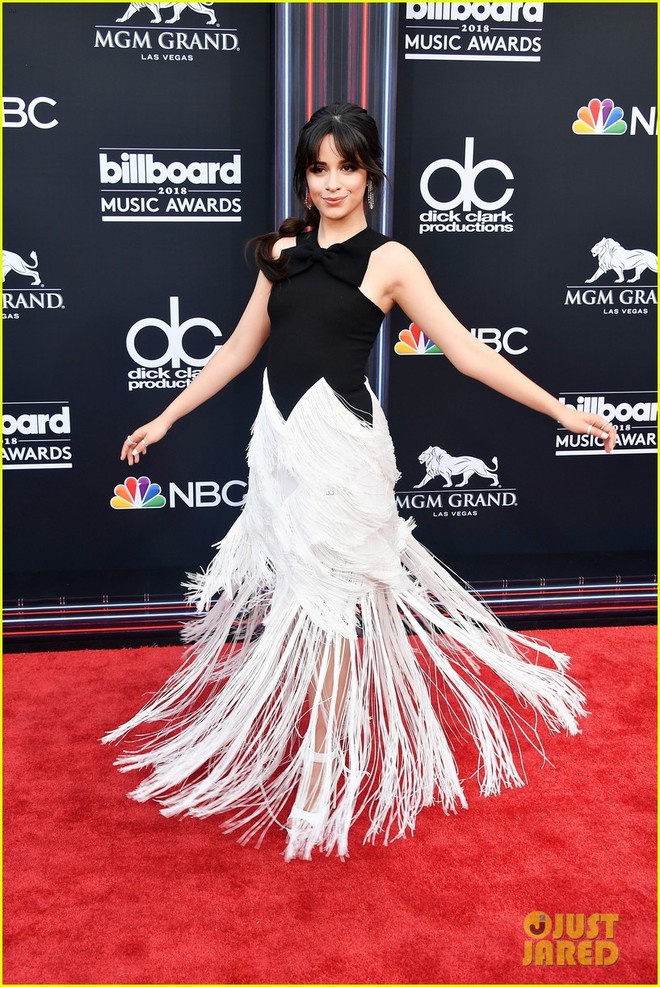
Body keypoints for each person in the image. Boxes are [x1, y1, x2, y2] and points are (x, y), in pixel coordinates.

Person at [102, 103, 617, 862]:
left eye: (347, 166)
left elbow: (468, 352)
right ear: (305, 176)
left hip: (342, 450)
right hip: (279, 447)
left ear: (369, 170)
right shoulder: (281, 250)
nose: (332, 182)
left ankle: (319, 773)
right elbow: (238, 350)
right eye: (319, 168)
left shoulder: (393, 261)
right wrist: (167, 416)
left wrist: (560, 410)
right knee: (304, 603)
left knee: (336, 611)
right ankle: (320, 750)